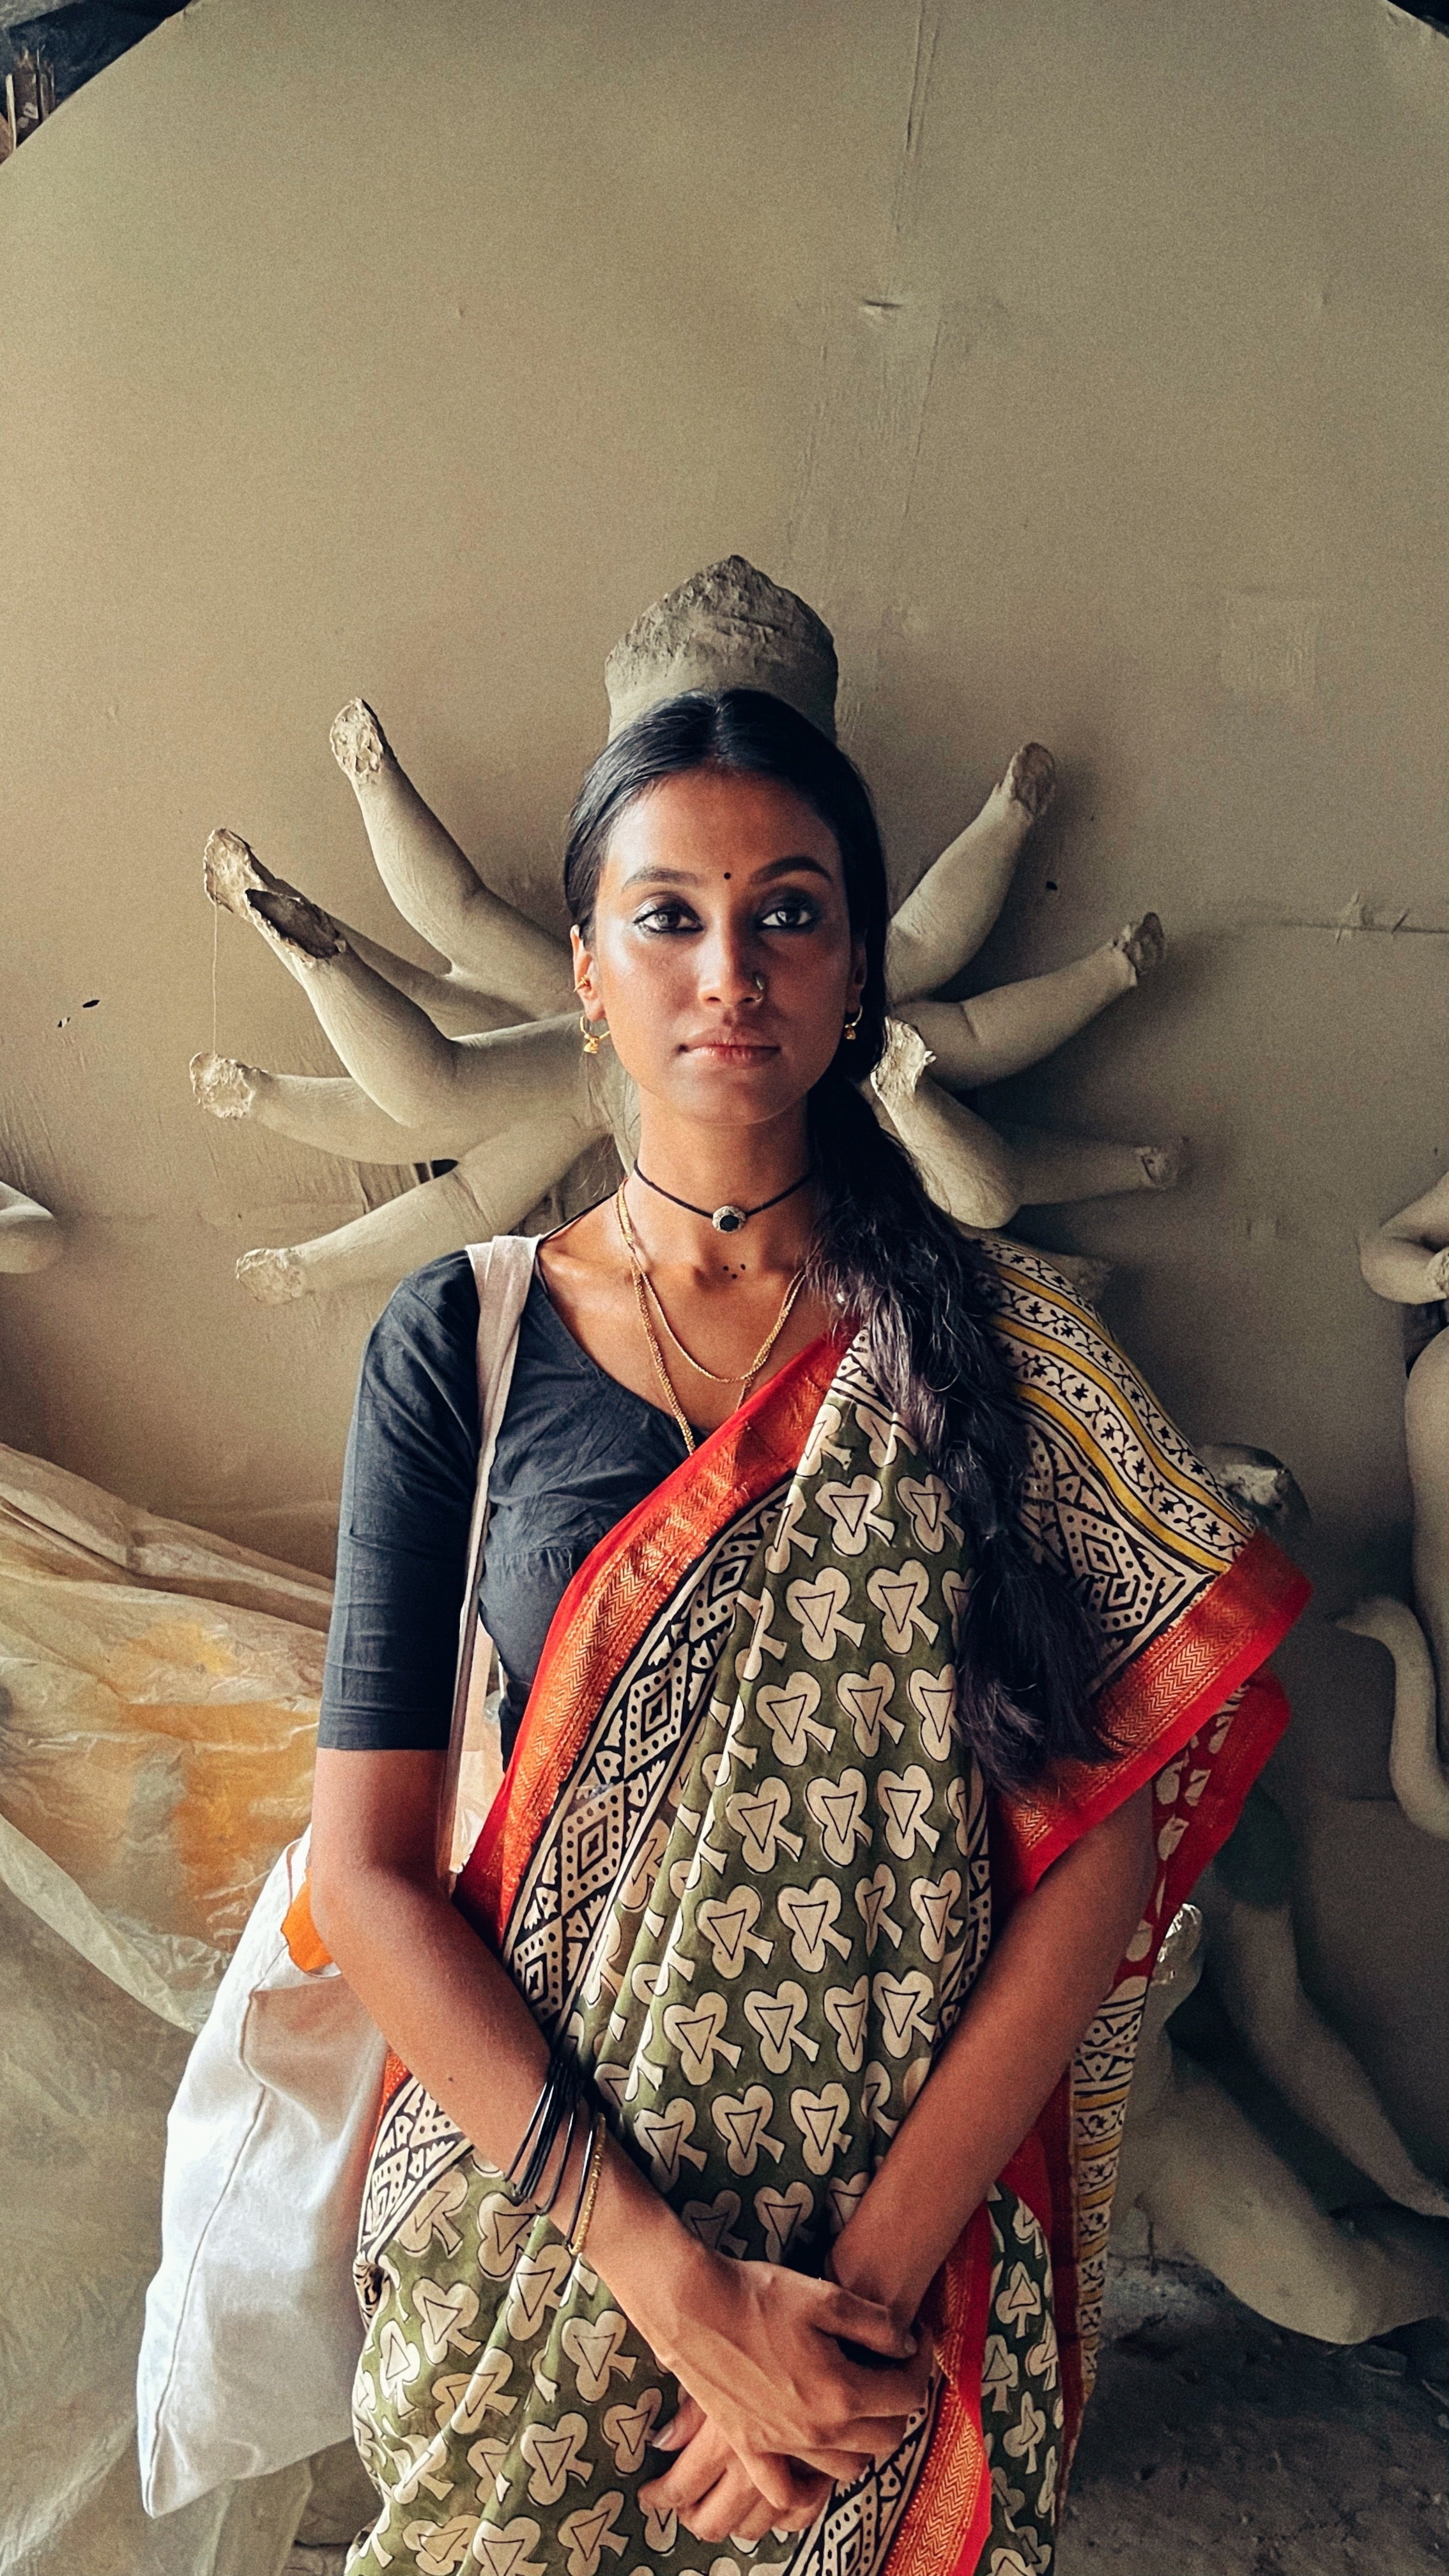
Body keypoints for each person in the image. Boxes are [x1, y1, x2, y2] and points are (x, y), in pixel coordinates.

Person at [305, 689, 1307, 2576]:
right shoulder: (462, 1342)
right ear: (585, 970)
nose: (729, 970)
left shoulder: (1005, 1348)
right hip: (546, 2238)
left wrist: (849, 2315)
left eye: (788, 912)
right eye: (666, 916)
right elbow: (365, 1879)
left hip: (900, 2276)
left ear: (856, 973)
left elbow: (1101, 1846)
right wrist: (681, 2296)